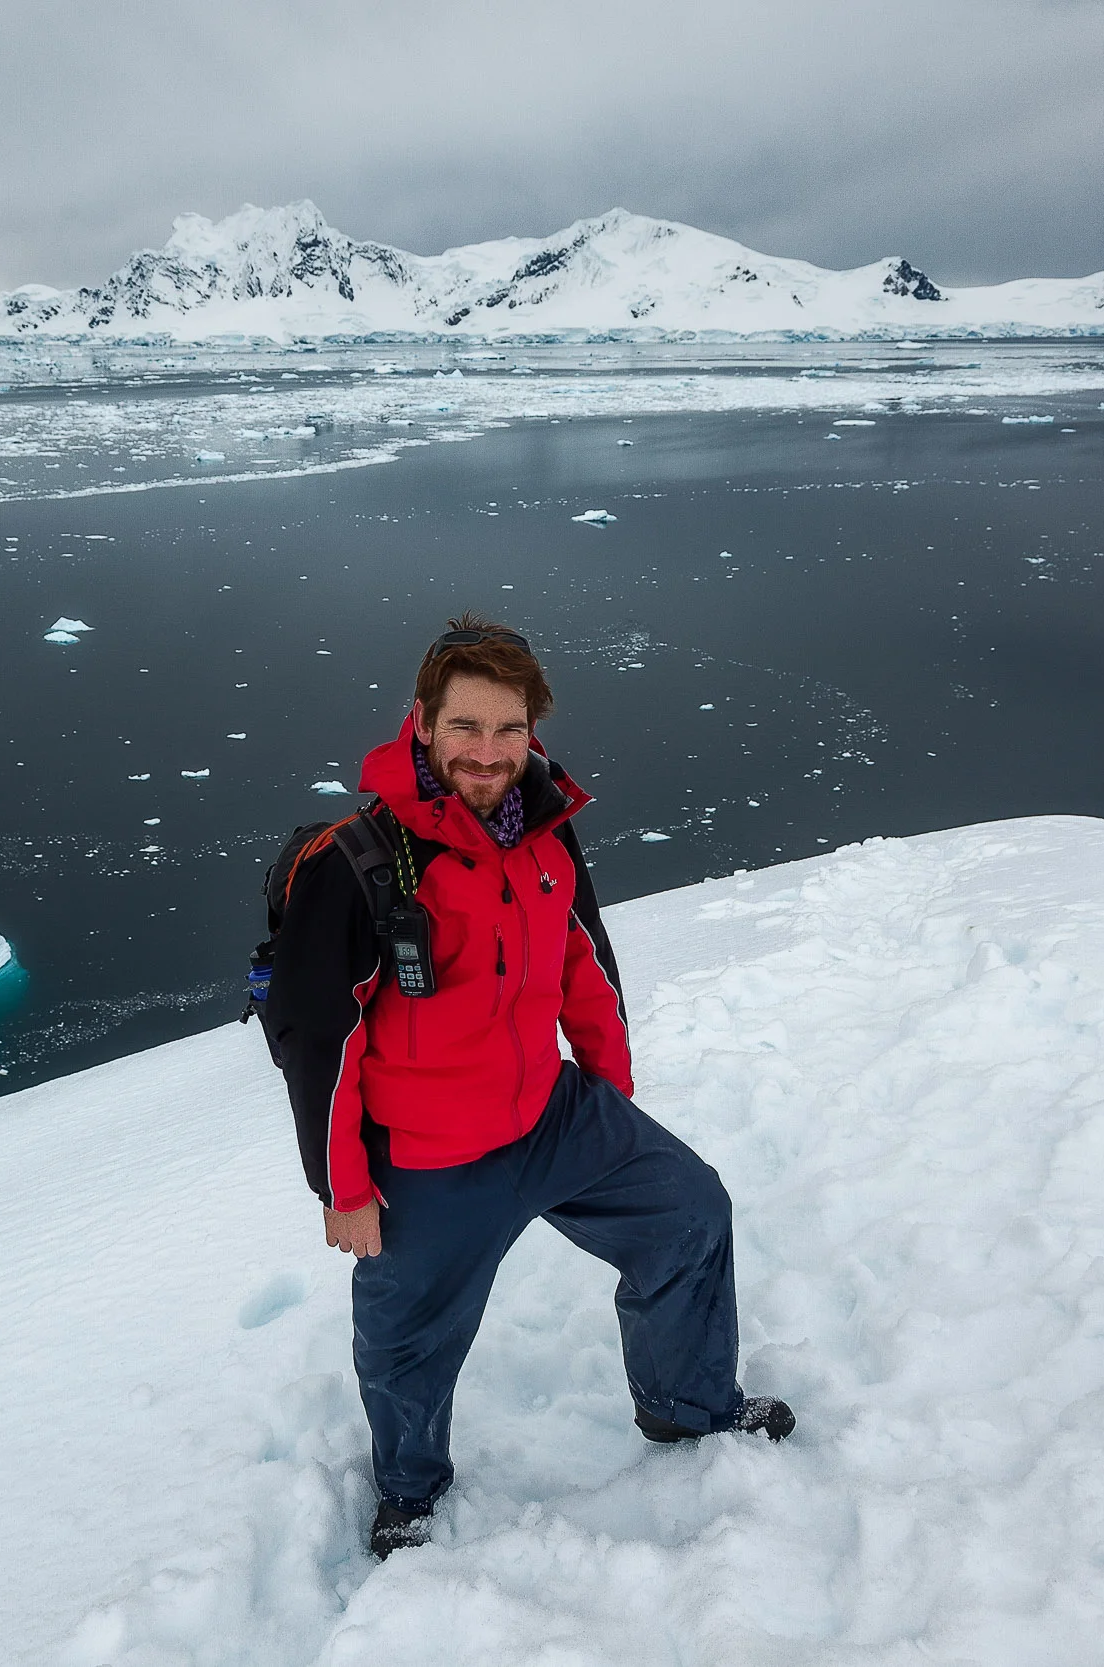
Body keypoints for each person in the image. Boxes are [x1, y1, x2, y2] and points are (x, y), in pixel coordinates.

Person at [267, 614, 792, 1561]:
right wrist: (342, 1188)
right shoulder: (361, 862)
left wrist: (612, 1092)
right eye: (466, 727)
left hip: (550, 1114)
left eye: (508, 729)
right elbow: (320, 1042)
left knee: (688, 1210)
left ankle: (686, 1404)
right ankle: (409, 1491)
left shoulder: (543, 830)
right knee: (409, 1340)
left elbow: (583, 961)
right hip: (428, 1155)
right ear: (422, 723)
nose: (488, 752)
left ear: (533, 731)